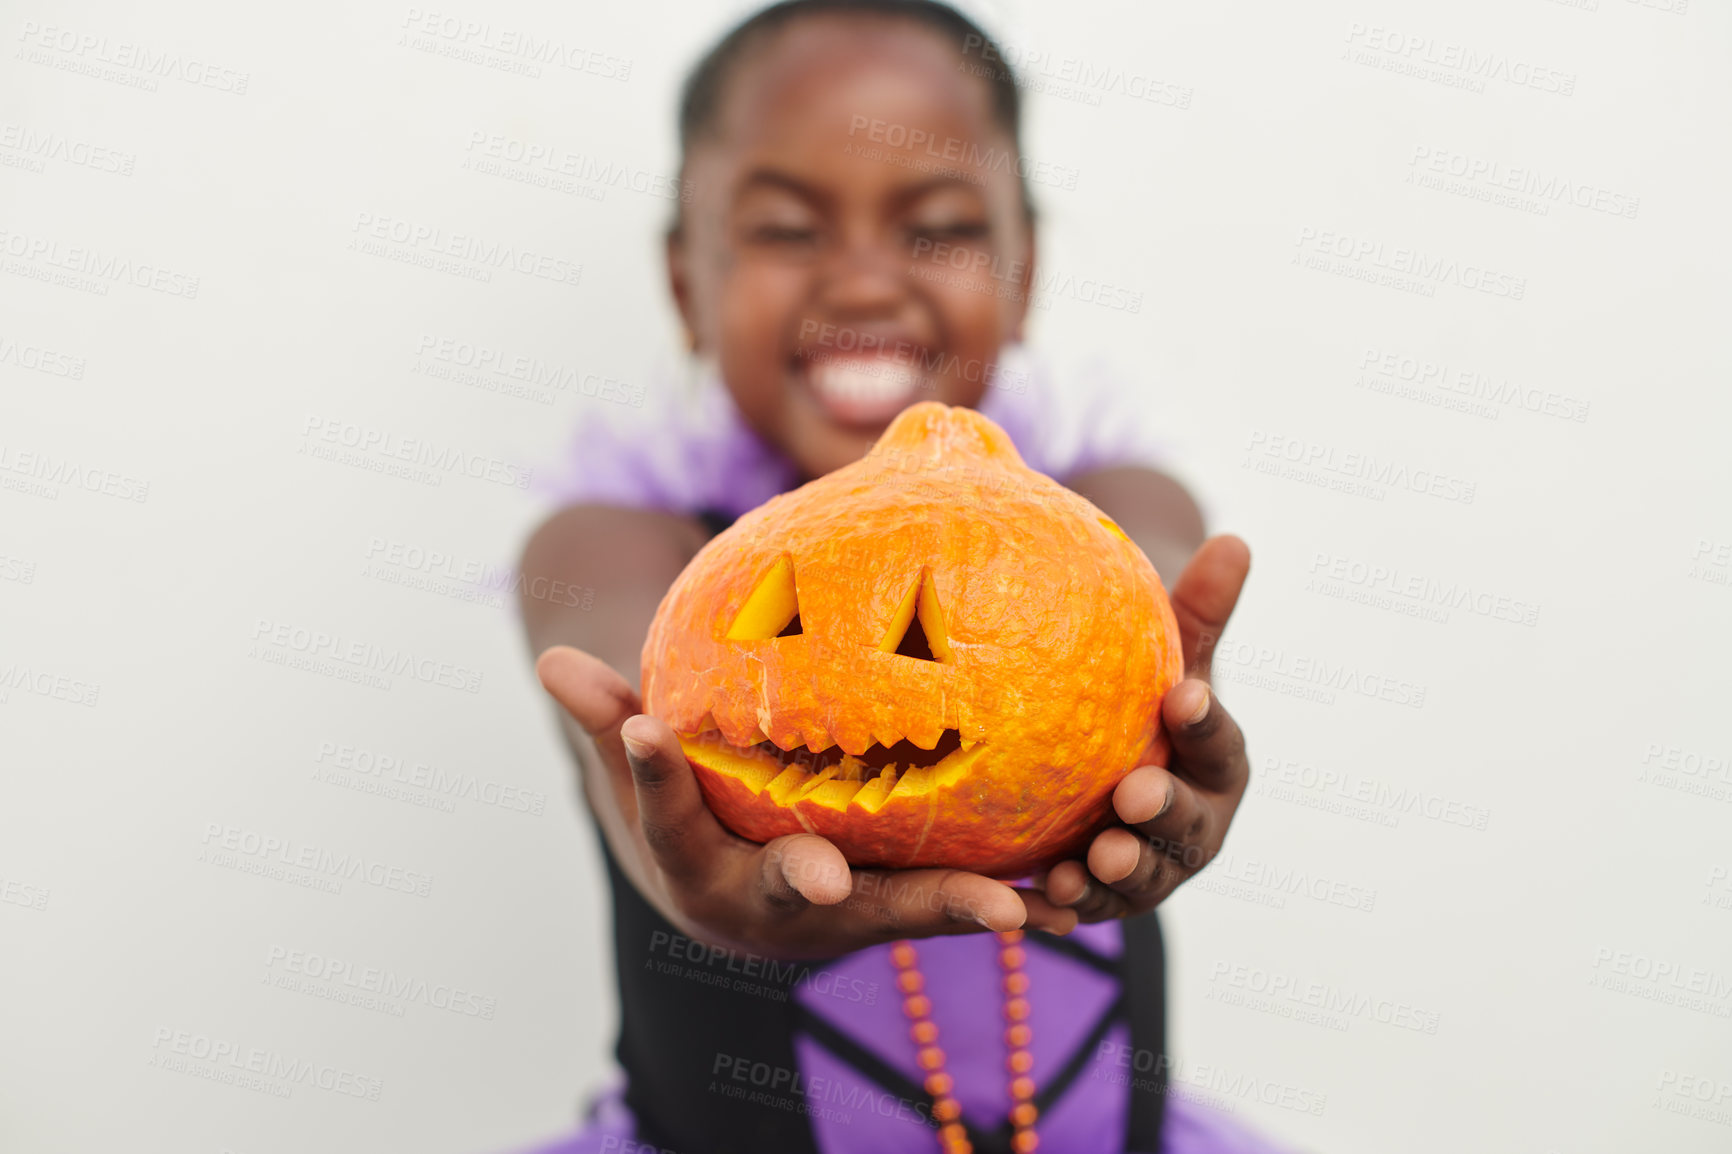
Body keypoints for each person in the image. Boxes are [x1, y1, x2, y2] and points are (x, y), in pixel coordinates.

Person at [517, 3, 1279, 1151]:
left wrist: (1170, 701)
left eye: (936, 226)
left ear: (1024, 275)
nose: (864, 282)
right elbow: (651, 714)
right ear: (686, 281)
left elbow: (1148, 583)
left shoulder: (1111, 504)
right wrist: (679, 864)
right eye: (785, 228)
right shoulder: (616, 543)